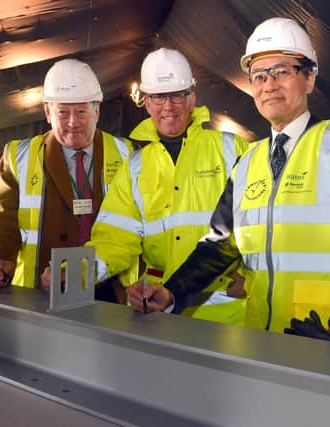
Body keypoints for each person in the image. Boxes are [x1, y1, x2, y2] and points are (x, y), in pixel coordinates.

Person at [127, 18, 330, 345]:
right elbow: (219, 245)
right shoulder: (247, 161)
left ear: (309, 78)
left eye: (282, 71)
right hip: (258, 339)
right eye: (259, 75)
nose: (269, 84)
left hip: (323, 336)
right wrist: (171, 291)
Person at [62, 48, 249, 324]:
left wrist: (253, 278)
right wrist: (74, 272)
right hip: (159, 309)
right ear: (146, 103)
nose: (168, 107)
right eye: (159, 97)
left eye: (176, 95)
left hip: (225, 312)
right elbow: (114, 237)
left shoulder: (231, 149)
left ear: (192, 99)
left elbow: (258, 224)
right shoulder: (135, 166)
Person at [0, 58, 134, 295]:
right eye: (63, 112)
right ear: (47, 112)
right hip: (40, 290)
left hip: (107, 291)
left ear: (97, 110)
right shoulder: (17, 156)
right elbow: (1, 219)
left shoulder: (127, 155)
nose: (73, 122)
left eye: (81, 111)